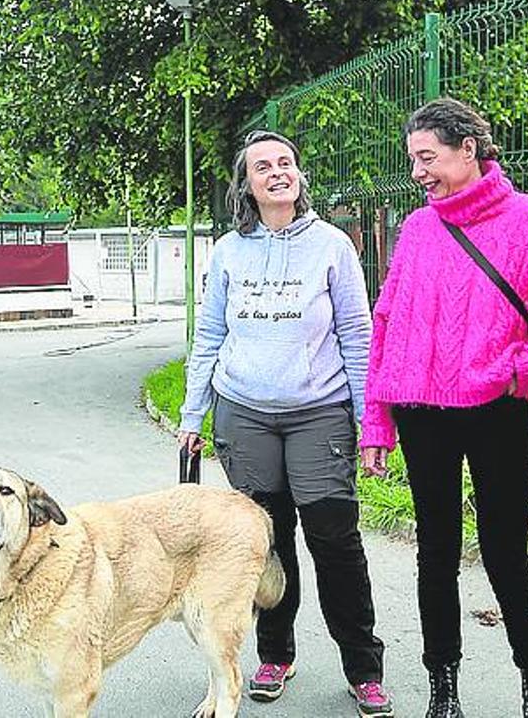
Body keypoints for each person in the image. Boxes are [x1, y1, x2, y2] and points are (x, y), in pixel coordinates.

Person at [360, 98, 528, 718]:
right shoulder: (417, 228)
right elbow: (388, 326)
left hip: (498, 409)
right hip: (423, 411)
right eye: (413, 160)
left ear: (469, 150)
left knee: (506, 552)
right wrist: (377, 423)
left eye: (427, 157)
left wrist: (518, 369)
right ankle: (443, 687)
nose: (418, 172)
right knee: (435, 551)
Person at [178, 130, 394, 718]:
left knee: (335, 538)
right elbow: (210, 336)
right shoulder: (228, 252)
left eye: (286, 163)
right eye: (263, 167)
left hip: (318, 412)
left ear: (299, 176)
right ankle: (275, 652)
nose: (278, 172)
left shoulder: (332, 246)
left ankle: (363, 667)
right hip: (244, 413)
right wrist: (192, 413)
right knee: (263, 540)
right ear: (246, 185)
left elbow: (357, 333)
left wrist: (371, 420)